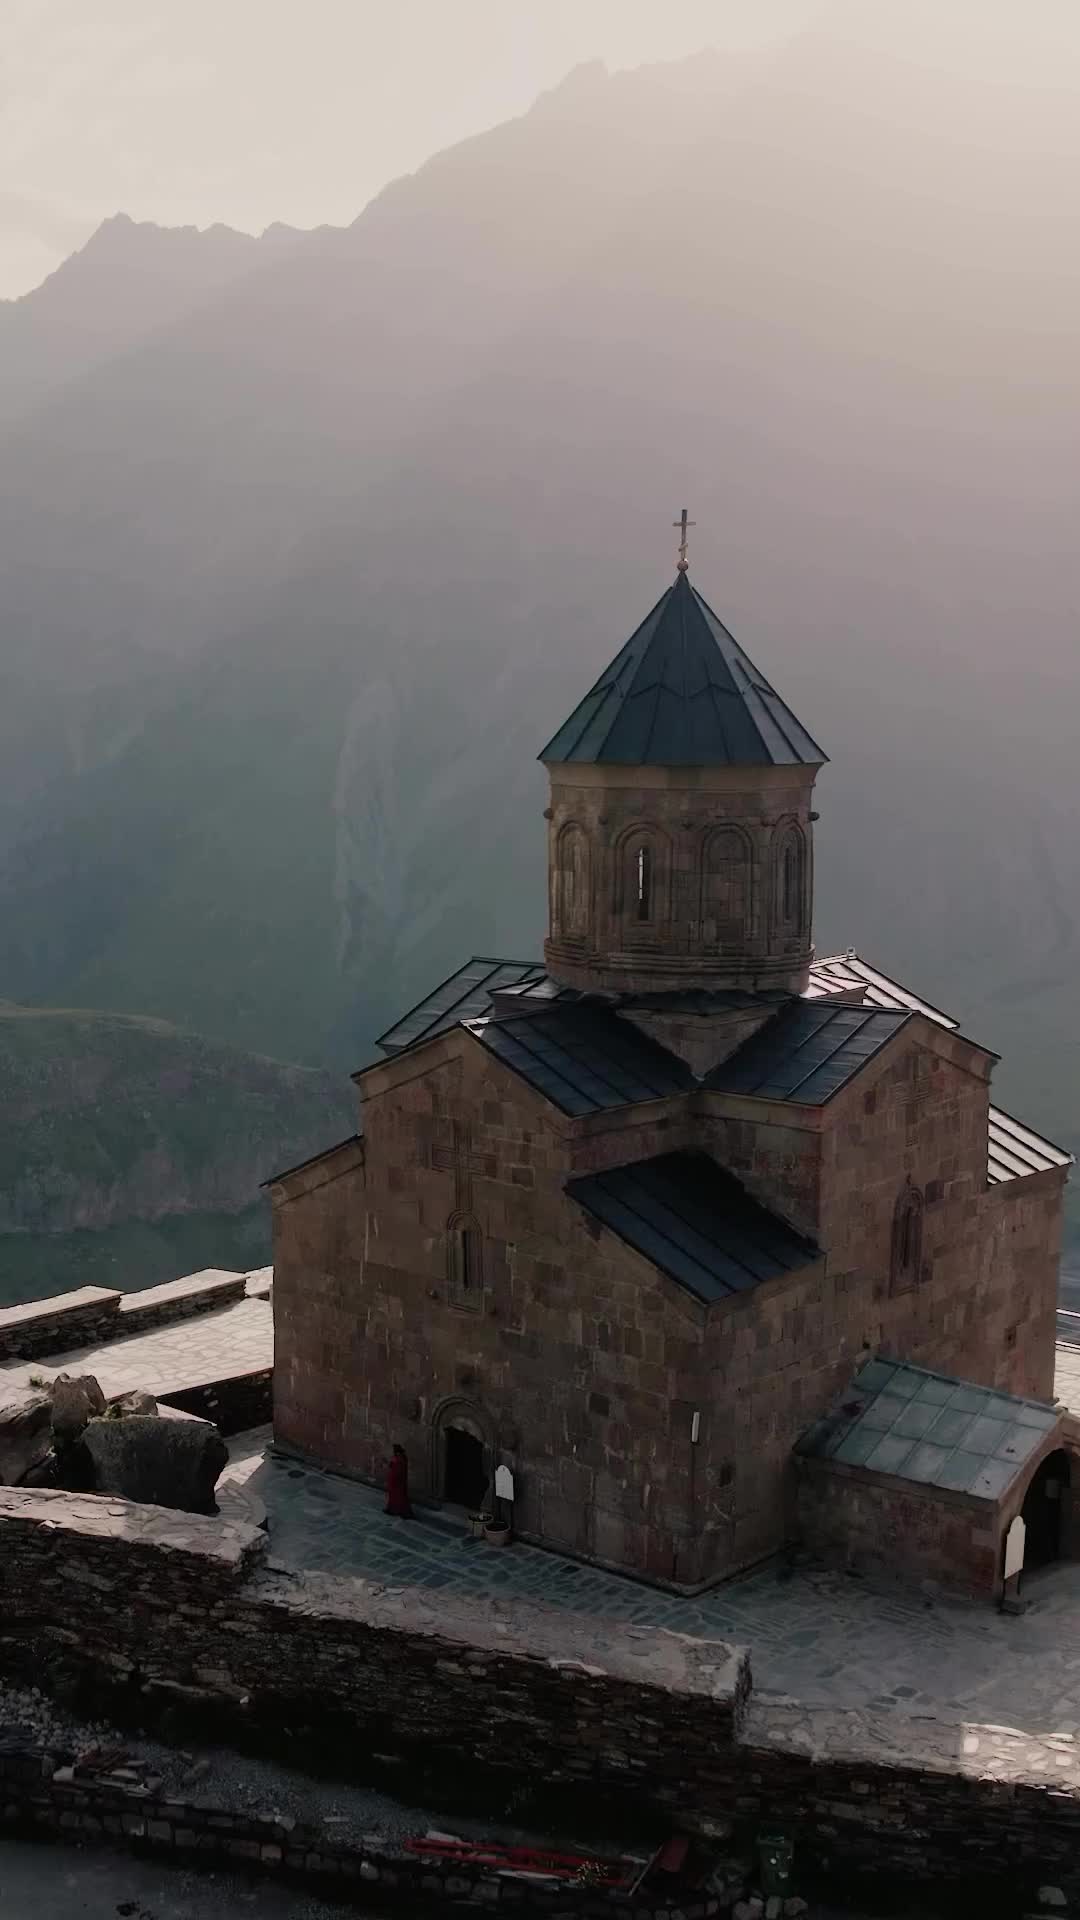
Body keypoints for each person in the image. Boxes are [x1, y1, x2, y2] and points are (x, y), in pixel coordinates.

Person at [384, 1443, 413, 1518]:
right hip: (395, 1481)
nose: (393, 1452)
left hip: (398, 1481)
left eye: (394, 1450)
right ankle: (392, 1510)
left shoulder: (400, 1458)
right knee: (394, 1496)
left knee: (399, 1496)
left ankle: (401, 1512)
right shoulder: (399, 1457)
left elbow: (398, 1470)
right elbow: (392, 1465)